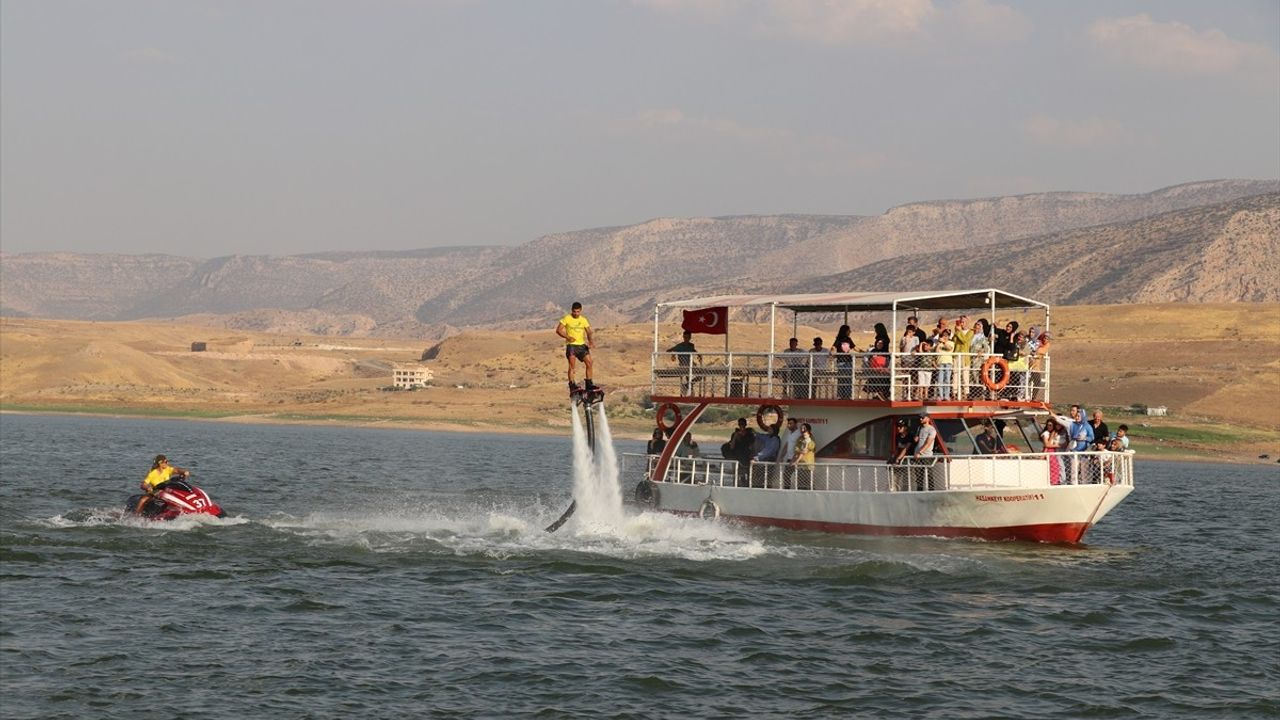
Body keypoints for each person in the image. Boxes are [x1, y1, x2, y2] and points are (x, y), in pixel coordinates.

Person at [556, 302, 595, 392]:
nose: (576, 313)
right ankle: (572, 385)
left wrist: (590, 341)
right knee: (572, 366)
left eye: (578, 311)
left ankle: (589, 384)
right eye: (574, 311)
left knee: (589, 363)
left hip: (581, 345)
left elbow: (589, 332)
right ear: (572, 310)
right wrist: (568, 337)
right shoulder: (567, 318)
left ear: (580, 310)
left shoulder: (583, 320)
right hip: (572, 346)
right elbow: (558, 330)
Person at [667, 330, 699, 395]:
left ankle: (688, 385)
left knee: (700, 376)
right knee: (688, 375)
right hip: (683, 365)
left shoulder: (691, 345)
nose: (686, 339)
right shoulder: (679, 346)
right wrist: (673, 354)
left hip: (691, 365)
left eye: (688, 337)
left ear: (690, 337)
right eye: (685, 337)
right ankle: (689, 388)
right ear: (683, 337)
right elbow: (669, 350)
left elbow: (693, 351)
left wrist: (699, 355)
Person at [788, 423, 816, 490]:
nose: (802, 430)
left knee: (808, 483)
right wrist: (793, 460)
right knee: (799, 483)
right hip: (800, 465)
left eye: (804, 428)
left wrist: (796, 461)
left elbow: (804, 451)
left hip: (807, 465)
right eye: (801, 428)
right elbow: (797, 450)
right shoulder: (800, 439)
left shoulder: (811, 439)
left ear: (808, 430)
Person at [833, 325, 856, 400]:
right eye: (849, 330)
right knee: (842, 378)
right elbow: (834, 347)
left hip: (848, 361)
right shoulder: (839, 339)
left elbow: (854, 347)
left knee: (849, 378)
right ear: (845, 331)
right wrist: (832, 352)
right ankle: (840, 395)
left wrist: (863, 351)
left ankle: (847, 395)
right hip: (841, 362)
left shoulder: (849, 339)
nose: (850, 332)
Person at [1041, 417, 1064, 484]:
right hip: (1050, 451)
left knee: (1055, 467)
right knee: (1053, 467)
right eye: (1048, 425)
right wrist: (1059, 445)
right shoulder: (1046, 433)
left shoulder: (1054, 433)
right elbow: (1047, 445)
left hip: (1054, 451)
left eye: (1051, 425)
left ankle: (1055, 481)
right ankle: (1053, 482)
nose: (1049, 426)